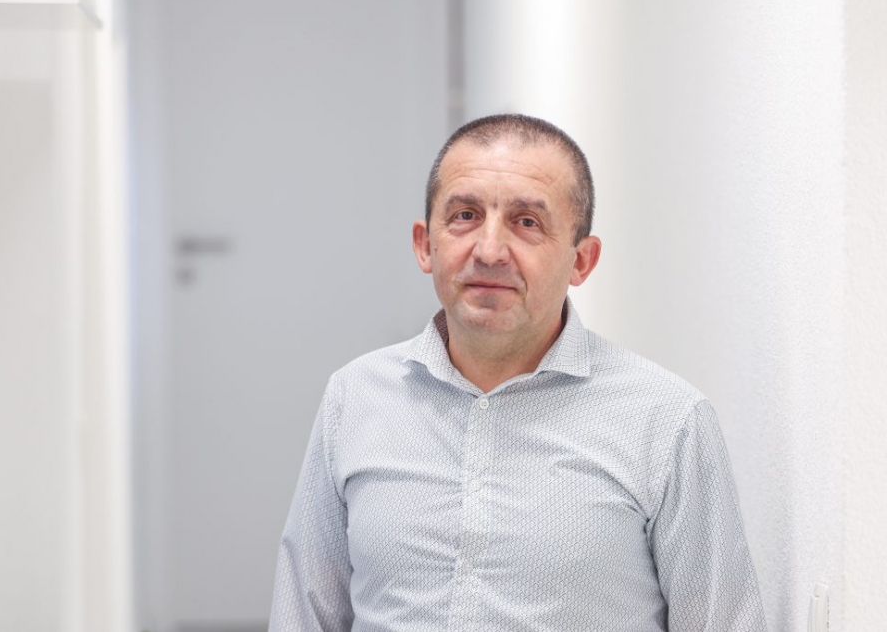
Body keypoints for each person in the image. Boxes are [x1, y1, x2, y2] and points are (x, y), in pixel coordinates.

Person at [268, 114, 767, 631]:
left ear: (582, 261)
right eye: (464, 215)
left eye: (527, 222)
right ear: (424, 244)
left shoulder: (668, 421)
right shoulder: (355, 396)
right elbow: (304, 613)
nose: (489, 251)